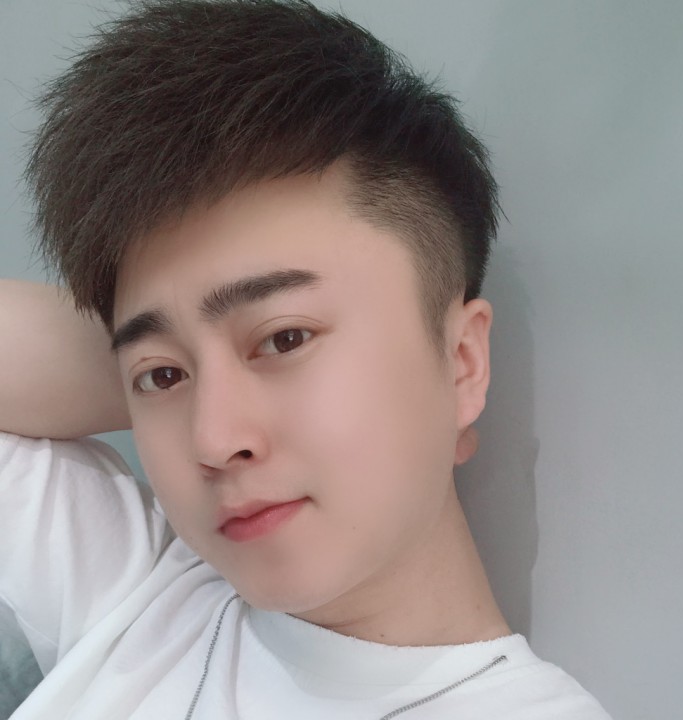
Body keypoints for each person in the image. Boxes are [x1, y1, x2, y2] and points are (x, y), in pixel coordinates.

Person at [0, 1, 612, 717]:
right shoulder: (141, 594)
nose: (214, 440)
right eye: (164, 377)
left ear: (464, 362)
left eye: (285, 338)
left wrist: (168, 356)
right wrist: (149, 359)